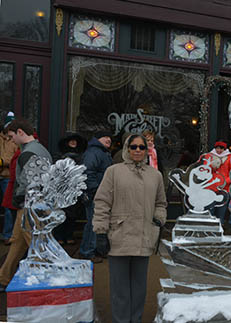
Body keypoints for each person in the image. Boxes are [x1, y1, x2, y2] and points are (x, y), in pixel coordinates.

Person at [93, 134, 167, 323]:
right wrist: (100, 232)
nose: (137, 150)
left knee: (139, 287)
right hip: (119, 236)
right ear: (127, 148)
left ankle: (136, 319)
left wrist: (158, 220)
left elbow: (161, 203)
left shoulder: (155, 175)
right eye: (133, 146)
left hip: (144, 237)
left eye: (141, 147)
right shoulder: (113, 171)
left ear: (146, 150)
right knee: (120, 288)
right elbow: (102, 202)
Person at [0, 118, 52, 292]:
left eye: (12, 135)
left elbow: (32, 183)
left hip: (30, 207)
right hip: (32, 206)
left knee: (36, 246)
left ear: (21, 132)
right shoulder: (38, 150)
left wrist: (19, 196)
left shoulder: (29, 153)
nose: (11, 139)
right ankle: (4, 277)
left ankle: (49, 280)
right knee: (18, 243)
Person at [79, 131, 112, 263]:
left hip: (101, 194)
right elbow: (87, 172)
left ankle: (98, 250)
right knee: (93, 224)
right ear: (97, 139)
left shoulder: (102, 152)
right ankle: (87, 251)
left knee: (99, 223)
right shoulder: (94, 152)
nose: (109, 139)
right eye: (105, 136)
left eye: (110, 137)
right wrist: (96, 190)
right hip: (95, 194)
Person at [53, 132, 87, 245]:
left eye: (75, 141)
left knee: (72, 215)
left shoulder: (82, 156)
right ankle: (58, 236)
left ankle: (69, 234)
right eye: (71, 140)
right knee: (61, 214)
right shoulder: (59, 156)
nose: (73, 142)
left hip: (75, 189)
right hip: (61, 190)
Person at [200, 141, 231, 231]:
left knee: (221, 210)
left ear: (224, 149)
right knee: (210, 209)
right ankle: (209, 229)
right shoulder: (209, 156)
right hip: (210, 188)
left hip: (223, 189)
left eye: (221, 148)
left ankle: (219, 229)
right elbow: (204, 171)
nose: (219, 150)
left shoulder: (230, 158)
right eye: (217, 148)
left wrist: (224, 182)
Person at [0, 112, 17, 244]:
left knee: (8, 207)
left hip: (7, 177)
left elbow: (16, 158)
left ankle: (7, 234)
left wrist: (2, 162)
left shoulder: (15, 140)